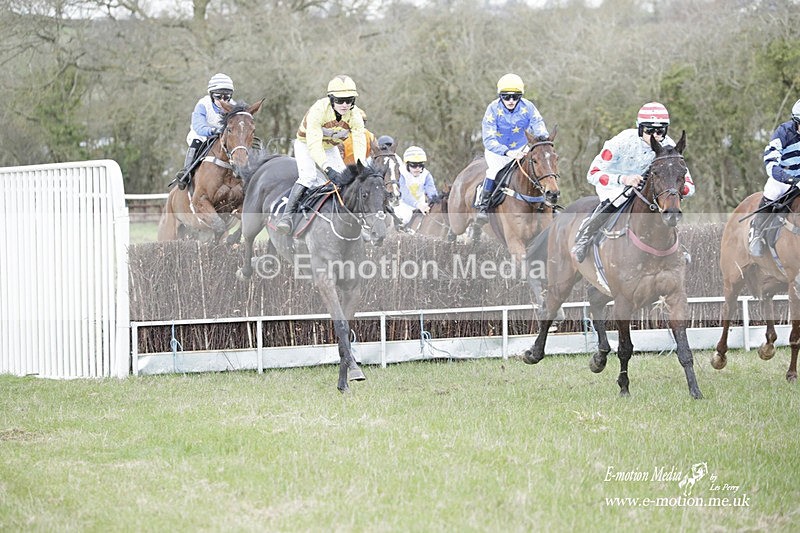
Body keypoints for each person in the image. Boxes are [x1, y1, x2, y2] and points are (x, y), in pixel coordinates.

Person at [571, 101, 695, 263]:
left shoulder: (670, 146)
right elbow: (593, 173)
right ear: (640, 128)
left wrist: (675, 189)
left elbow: (689, 186)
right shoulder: (620, 142)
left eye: (660, 130)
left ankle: (676, 246)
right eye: (649, 130)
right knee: (617, 200)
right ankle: (584, 237)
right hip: (615, 184)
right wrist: (624, 179)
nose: (655, 135)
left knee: (665, 204)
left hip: (647, 187)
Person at [275, 75, 367, 235]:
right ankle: (287, 217)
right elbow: (314, 146)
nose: (345, 105)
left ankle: (353, 222)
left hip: (329, 147)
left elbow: (359, 141)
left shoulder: (355, 115)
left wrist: (361, 167)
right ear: (331, 99)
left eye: (349, 100)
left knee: (345, 180)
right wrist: (327, 169)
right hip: (306, 144)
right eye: (340, 100)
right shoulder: (318, 110)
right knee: (308, 177)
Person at [475, 73, 549, 223]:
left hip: (522, 148)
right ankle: (484, 205)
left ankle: (547, 203)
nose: (511, 101)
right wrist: (508, 152)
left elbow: (538, 124)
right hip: (497, 151)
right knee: (494, 171)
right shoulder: (492, 109)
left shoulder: (528, 107)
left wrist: (543, 138)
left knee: (539, 168)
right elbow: (488, 139)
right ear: (500, 96)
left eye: (515, 97)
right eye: (506, 97)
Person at [750, 98, 800, 257]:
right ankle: (757, 234)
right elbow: (771, 163)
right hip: (784, 178)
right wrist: (790, 179)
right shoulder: (783, 133)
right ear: (796, 122)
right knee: (772, 191)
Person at [174, 73, 236, 190]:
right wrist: (213, 130)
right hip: (203, 136)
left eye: (226, 97)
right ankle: (186, 172)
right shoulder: (203, 104)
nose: (222, 100)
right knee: (196, 142)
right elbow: (198, 126)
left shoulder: (234, 106)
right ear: (211, 95)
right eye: (218, 96)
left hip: (222, 137)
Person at [394, 146, 439, 227]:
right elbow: (405, 194)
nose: (417, 168)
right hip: (404, 206)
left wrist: (435, 202)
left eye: (420, 165)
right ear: (407, 164)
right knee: (406, 217)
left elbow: (431, 191)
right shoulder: (401, 173)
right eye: (413, 165)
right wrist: (418, 205)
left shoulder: (426, 175)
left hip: (422, 205)